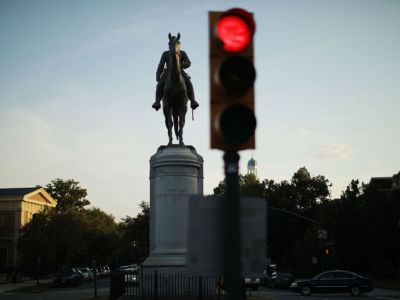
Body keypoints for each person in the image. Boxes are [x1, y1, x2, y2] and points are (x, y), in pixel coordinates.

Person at [152, 34, 199, 111]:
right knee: (160, 84)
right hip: (167, 71)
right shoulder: (165, 54)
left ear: (178, 45)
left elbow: (188, 62)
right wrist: (158, 76)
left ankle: (193, 100)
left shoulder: (182, 53)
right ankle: (157, 101)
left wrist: (178, 65)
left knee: (188, 82)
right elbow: (160, 65)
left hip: (179, 71)